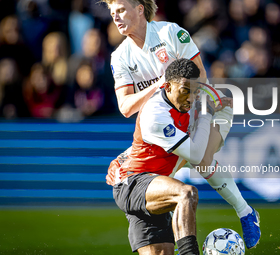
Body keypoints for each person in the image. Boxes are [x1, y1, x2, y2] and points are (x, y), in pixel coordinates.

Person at [103, 0, 260, 249]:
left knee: (204, 154)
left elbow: (200, 75)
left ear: (140, 9)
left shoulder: (171, 33)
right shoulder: (120, 56)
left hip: (187, 107)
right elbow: (125, 107)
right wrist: (161, 84)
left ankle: (245, 213)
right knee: (200, 155)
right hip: (156, 123)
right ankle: (245, 211)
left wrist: (202, 108)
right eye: (112, 13)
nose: (116, 17)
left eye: (121, 10)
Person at [107, 58, 217, 255]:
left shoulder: (186, 103)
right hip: (133, 182)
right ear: (167, 86)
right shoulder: (156, 114)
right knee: (186, 193)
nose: (190, 98)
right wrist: (207, 114)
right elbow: (197, 154)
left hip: (156, 185)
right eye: (185, 90)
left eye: (194, 91)